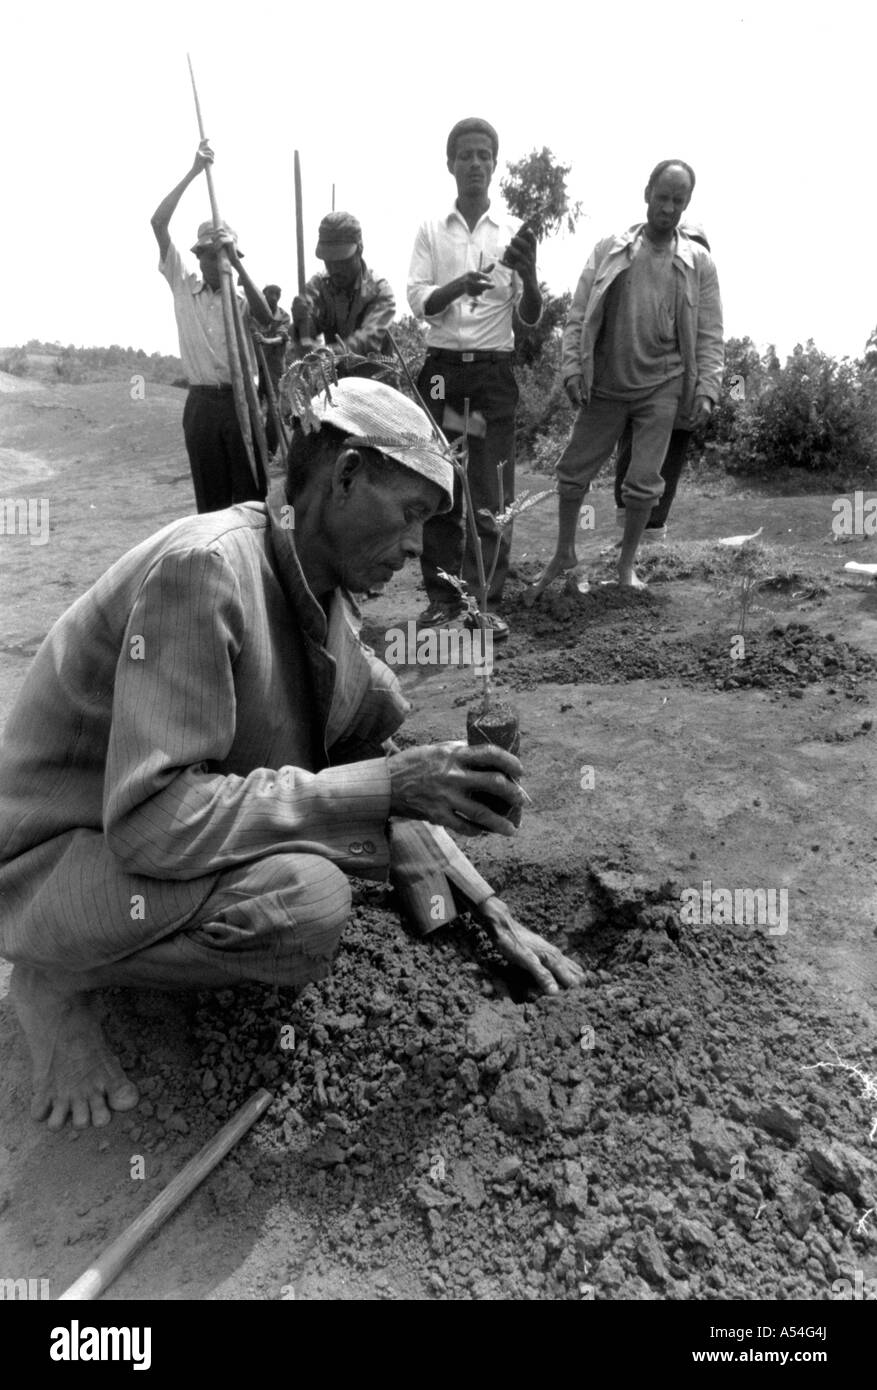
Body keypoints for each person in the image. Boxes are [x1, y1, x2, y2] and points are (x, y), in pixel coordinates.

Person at [0, 378, 582, 1132]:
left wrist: (489, 914)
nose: (414, 548)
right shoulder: (204, 570)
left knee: (364, 816)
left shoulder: (327, 600)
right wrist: (382, 786)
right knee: (305, 902)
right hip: (51, 864)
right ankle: (55, 980)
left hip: (135, 850)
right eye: (409, 514)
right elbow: (150, 822)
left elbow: (378, 758)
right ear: (343, 476)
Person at [528, 162, 723, 599]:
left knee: (644, 482)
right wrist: (572, 368)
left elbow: (711, 332)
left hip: (663, 385)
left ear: (686, 204)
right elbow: (578, 313)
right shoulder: (610, 250)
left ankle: (626, 565)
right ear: (647, 193)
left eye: (678, 200)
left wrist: (707, 389)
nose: (668, 207)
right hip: (607, 384)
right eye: (662, 197)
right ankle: (564, 552)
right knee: (574, 470)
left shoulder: (698, 263)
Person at [407, 117, 542, 640]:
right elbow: (419, 300)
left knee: (489, 493)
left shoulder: (511, 235)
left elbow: (528, 315)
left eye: (485, 155)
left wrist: (528, 276)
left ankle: (481, 603)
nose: (475, 164)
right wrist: (457, 287)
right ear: (450, 164)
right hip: (441, 375)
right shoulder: (430, 230)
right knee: (443, 488)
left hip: (488, 377)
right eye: (465, 154)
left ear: (494, 164)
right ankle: (443, 599)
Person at [151, 140, 274, 512]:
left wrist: (237, 264)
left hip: (241, 403)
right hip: (202, 404)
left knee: (252, 499)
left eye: (220, 253)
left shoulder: (240, 301)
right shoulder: (183, 284)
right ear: (198, 255)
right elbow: (158, 222)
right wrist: (192, 171)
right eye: (207, 253)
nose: (212, 260)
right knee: (212, 504)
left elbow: (267, 317)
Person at [612, 223, 713, 543]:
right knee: (629, 463)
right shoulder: (643, 287)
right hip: (639, 392)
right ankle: (627, 542)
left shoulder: (706, 301)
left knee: (665, 468)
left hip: (679, 399)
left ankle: (651, 542)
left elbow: (711, 347)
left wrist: (707, 393)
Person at [291, 212, 395, 361]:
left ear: (360, 249)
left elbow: (368, 342)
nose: (335, 269)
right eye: (329, 261)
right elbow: (306, 334)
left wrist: (326, 354)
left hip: (375, 378)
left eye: (342, 261)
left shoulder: (379, 292)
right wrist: (300, 321)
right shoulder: (318, 287)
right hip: (333, 378)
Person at [254, 284, 291, 457]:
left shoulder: (283, 316)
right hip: (255, 367)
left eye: (278, 294)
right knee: (252, 406)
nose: (274, 297)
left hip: (275, 369)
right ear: (263, 295)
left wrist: (265, 341)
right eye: (271, 293)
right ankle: (255, 446)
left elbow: (282, 337)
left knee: (273, 410)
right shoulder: (253, 312)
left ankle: (269, 451)